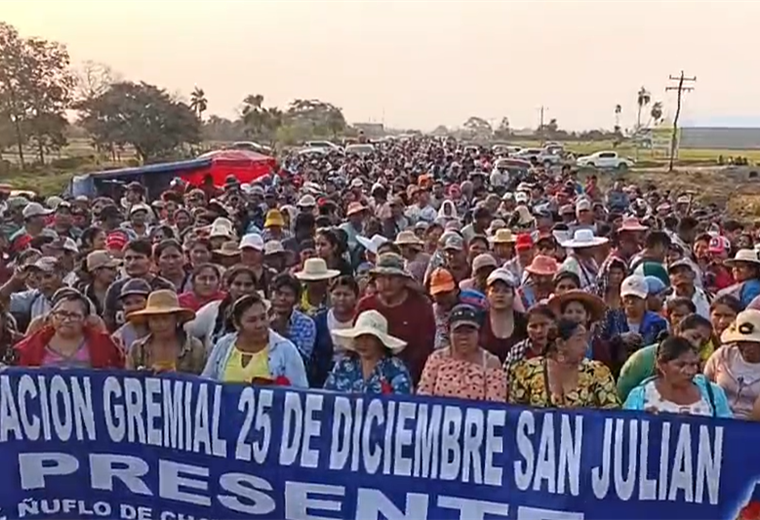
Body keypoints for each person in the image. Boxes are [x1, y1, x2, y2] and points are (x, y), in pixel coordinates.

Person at [355, 252, 435, 384]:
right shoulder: (365, 305)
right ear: (375, 280)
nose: (387, 283)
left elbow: (425, 348)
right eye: (382, 278)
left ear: (403, 280)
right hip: (369, 373)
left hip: (412, 375)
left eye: (392, 277)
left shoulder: (421, 305)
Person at [509, 318, 620, 409]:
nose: (586, 346)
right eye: (579, 339)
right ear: (561, 343)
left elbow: (613, 416)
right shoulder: (526, 372)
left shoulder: (598, 373)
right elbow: (513, 417)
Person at [202, 293, 308, 387]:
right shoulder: (224, 345)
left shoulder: (286, 349)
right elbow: (206, 384)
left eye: (263, 318)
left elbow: (300, 392)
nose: (260, 325)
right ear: (237, 324)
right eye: (252, 320)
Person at [10, 289, 124, 368]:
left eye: (74, 315)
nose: (66, 320)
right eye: (61, 314)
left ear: (85, 320)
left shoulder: (103, 344)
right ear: (52, 316)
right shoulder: (32, 345)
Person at [623, 336, 732, 417]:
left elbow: (728, 432)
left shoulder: (713, 394)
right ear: (661, 365)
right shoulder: (640, 397)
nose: (689, 371)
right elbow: (626, 433)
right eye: (681, 365)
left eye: (693, 364)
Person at [417, 304, 506, 402]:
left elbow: (495, 406)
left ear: (479, 333)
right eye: (458, 331)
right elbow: (423, 397)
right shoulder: (437, 358)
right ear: (449, 333)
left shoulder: (491, 363)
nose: (464, 336)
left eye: (469, 331)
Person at [617, 313, 714, 402]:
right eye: (694, 337)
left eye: (703, 343)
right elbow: (622, 396)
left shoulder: (698, 369)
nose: (697, 345)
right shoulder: (643, 358)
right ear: (678, 331)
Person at [324, 310, 412, 394]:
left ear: (381, 341)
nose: (363, 342)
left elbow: (403, 403)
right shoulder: (343, 366)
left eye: (369, 337)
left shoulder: (395, 368)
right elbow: (327, 397)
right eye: (359, 336)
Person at [126, 290, 206, 374]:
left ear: (177, 319)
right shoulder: (137, 349)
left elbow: (203, 379)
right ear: (148, 321)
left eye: (165, 318)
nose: (160, 324)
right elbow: (129, 380)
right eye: (154, 319)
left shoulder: (194, 348)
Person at [103, 239, 175, 332]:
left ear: (150, 260)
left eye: (138, 258)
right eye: (128, 258)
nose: (132, 263)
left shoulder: (164, 287)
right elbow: (109, 324)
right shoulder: (115, 288)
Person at [704, 309, 760, 419]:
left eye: (753, 343)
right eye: (742, 341)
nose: (747, 347)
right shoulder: (722, 355)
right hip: (717, 419)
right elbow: (705, 385)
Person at [311, 275, 359, 387]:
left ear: (356, 298)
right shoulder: (318, 320)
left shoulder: (361, 321)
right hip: (321, 378)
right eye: (337, 294)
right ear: (330, 295)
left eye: (346, 295)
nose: (341, 298)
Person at [480, 268, 527, 362]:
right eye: (495, 291)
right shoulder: (478, 320)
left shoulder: (524, 321)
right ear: (487, 294)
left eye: (506, 291)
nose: (500, 295)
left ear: (514, 295)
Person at [270, 273, 317, 366]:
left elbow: (302, 359)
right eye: (279, 293)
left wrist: (282, 334)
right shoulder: (260, 317)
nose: (282, 298)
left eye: (288, 295)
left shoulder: (306, 323)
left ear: (296, 299)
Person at [111, 278, 151, 353]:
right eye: (128, 303)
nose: (133, 307)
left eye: (138, 301)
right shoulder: (118, 338)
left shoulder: (160, 330)